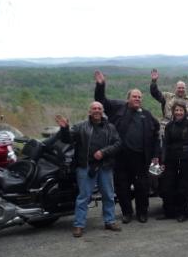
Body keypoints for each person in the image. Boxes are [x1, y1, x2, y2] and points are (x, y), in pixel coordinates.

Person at [94, 70, 160, 224]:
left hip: (141, 158)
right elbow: (101, 100)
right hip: (121, 157)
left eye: (139, 97)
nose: (137, 99)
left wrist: (156, 155)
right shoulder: (118, 108)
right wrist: (100, 85)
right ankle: (127, 213)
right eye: (134, 96)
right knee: (122, 187)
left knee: (142, 187)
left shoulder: (147, 115)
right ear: (128, 98)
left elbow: (156, 135)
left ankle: (142, 213)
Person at [56, 103, 122, 238]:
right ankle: (79, 225)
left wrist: (103, 152)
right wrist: (64, 129)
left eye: (99, 108)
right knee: (83, 197)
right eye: (94, 109)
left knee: (108, 195)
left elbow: (118, 144)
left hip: (105, 166)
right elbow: (67, 139)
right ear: (89, 111)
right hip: (85, 167)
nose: (97, 110)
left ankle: (110, 221)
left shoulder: (110, 127)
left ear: (103, 111)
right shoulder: (80, 127)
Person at [158, 102, 188, 222]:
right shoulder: (169, 125)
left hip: (186, 159)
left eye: (181, 110)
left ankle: (182, 213)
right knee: (167, 186)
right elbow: (165, 144)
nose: (178, 112)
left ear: (184, 112)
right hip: (171, 159)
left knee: (183, 187)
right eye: (176, 110)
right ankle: (168, 212)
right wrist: (163, 160)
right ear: (173, 112)